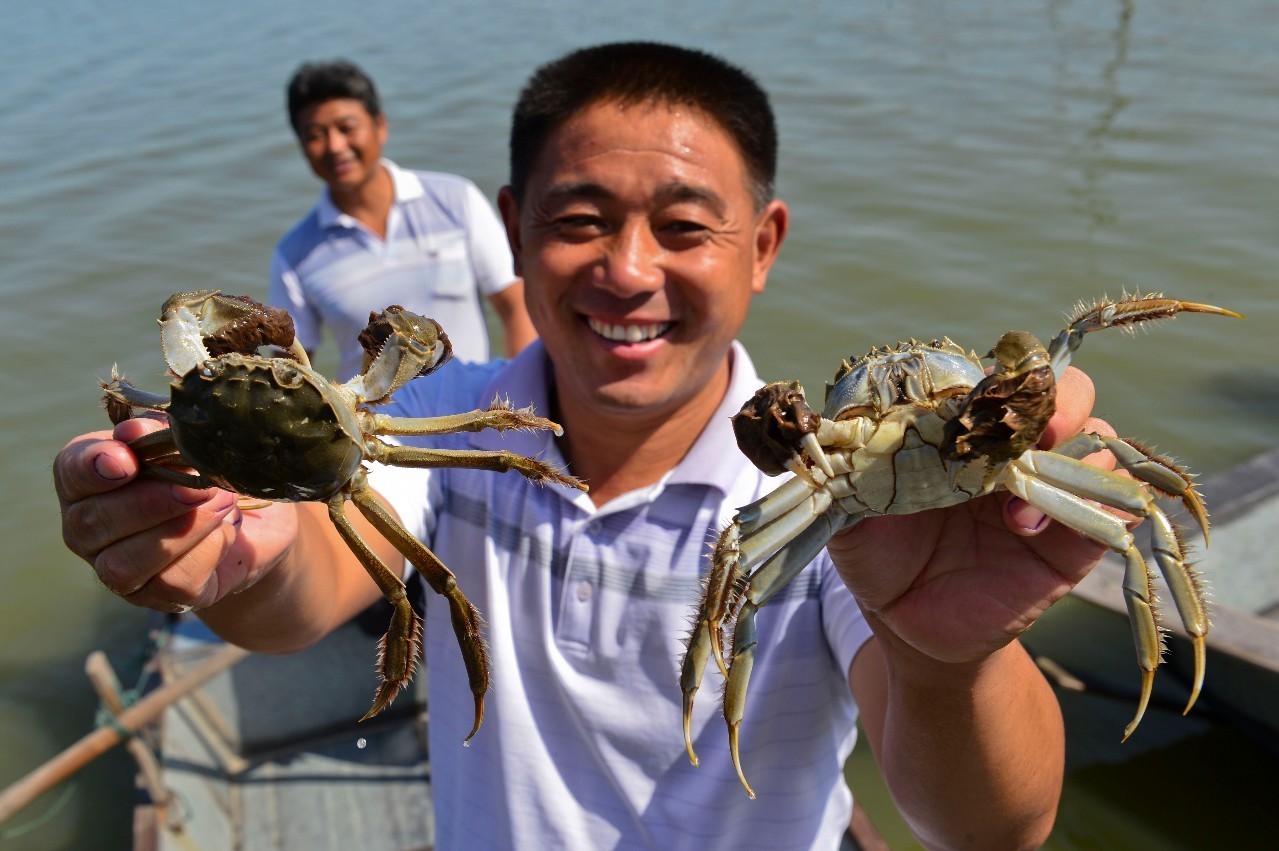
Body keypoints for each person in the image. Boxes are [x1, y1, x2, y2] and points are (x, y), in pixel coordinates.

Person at [56, 43, 1120, 850]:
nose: (626, 267)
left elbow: (990, 829)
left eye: (684, 227)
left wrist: (949, 658)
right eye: (580, 218)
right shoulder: (455, 427)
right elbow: (303, 576)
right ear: (513, 231)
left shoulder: (835, 497)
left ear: (765, 245)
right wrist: (224, 558)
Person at [271, 59, 536, 378]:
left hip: (476, 412)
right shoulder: (295, 254)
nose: (335, 146)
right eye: (315, 134)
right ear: (302, 146)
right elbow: (290, 364)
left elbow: (517, 305)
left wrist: (521, 389)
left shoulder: (456, 200)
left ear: (380, 125)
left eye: (347, 128)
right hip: (373, 425)